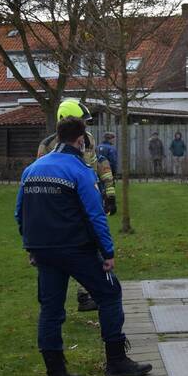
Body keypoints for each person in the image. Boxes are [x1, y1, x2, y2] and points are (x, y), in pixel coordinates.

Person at [17, 116, 152, 376]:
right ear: (81, 141)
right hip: (76, 249)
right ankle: (116, 361)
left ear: (57, 137)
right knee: (110, 293)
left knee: (51, 309)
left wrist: (31, 247)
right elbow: (96, 215)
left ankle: (55, 372)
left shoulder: (31, 170)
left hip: (43, 250)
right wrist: (108, 252)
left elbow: (20, 212)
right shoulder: (80, 171)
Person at [38, 99, 116, 313]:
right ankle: (53, 301)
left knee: (90, 250)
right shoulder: (46, 146)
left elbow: (99, 164)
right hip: (61, 208)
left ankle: (85, 295)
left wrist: (110, 194)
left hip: (88, 200)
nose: (85, 129)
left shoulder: (88, 140)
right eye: (82, 122)